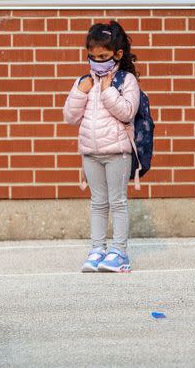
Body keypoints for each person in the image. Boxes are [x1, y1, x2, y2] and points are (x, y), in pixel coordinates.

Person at [63, 21, 140, 273]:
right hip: (91, 152)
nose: (97, 61)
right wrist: (80, 93)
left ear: (117, 55)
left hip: (117, 152)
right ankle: (97, 249)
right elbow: (70, 117)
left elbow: (128, 112)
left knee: (117, 202)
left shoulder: (125, 80)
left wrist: (107, 91)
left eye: (104, 56)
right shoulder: (84, 81)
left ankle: (119, 253)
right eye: (93, 56)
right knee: (97, 202)